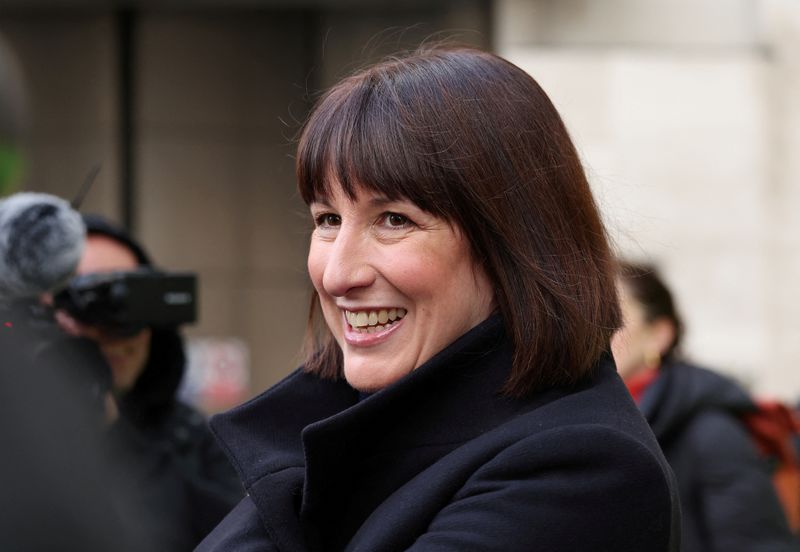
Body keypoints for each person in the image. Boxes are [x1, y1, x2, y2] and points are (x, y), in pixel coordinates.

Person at [198, 46, 681, 551]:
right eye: (328, 220)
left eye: (394, 220)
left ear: (514, 243)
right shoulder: (348, 433)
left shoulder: (583, 470)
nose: (338, 274)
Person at [56, 214, 243, 551]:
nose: (121, 333)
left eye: (133, 296)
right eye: (96, 298)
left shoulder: (195, 442)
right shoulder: (16, 438)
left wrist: (123, 440)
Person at [612, 261, 799, 551]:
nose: (594, 329)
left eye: (612, 316)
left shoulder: (710, 431)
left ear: (659, 335)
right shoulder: (586, 419)